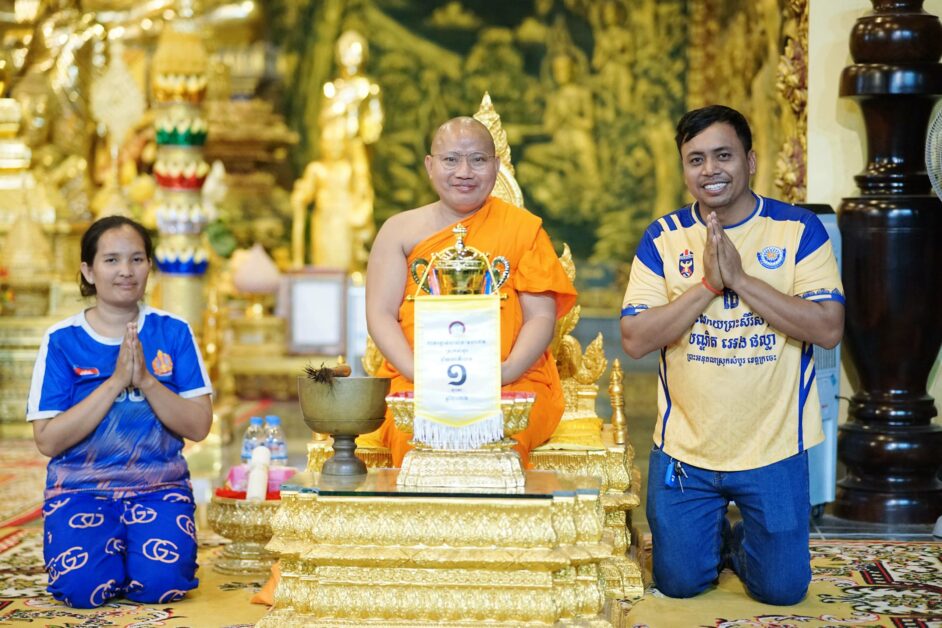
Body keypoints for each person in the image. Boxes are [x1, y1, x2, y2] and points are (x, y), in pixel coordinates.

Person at [620, 105, 844, 605]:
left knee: (782, 590)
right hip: (686, 449)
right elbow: (634, 339)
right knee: (679, 583)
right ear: (684, 169)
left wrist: (740, 279)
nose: (710, 170)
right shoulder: (663, 237)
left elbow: (828, 329)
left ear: (751, 160)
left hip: (774, 447)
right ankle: (709, 537)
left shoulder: (798, 230)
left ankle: (742, 544)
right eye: (696, 159)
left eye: (723, 155)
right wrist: (707, 285)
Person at [364, 116, 577, 468]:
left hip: (511, 381)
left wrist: (506, 372)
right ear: (430, 166)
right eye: (451, 159)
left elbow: (541, 317)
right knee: (414, 437)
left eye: (477, 160)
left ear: (495, 165)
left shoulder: (522, 230)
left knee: (502, 437)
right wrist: (419, 373)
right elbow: (380, 313)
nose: (464, 172)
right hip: (418, 381)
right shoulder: (398, 231)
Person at [26, 215, 213, 608]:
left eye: (136, 259)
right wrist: (114, 383)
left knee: (163, 585)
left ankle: (134, 556)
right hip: (80, 490)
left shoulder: (173, 332)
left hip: (159, 489)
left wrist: (145, 380)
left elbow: (199, 426)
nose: (126, 271)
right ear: (88, 271)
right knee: (81, 591)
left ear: (149, 266)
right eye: (111, 260)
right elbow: (47, 441)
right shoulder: (62, 340)